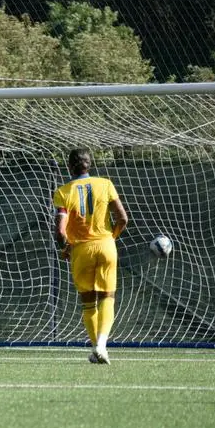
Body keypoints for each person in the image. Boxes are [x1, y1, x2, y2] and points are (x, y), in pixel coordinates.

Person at [53, 148, 128, 365]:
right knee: (108, 297)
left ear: (69, 167)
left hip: (81, 250)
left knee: (88, 303)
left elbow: (60, 231)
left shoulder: (63, 192)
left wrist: (65, 248)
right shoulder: (105, 184)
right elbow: (122, 219)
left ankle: (98, 347)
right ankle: (102, 346)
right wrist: (110, 238)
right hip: (106, 246)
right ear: (90, 165)